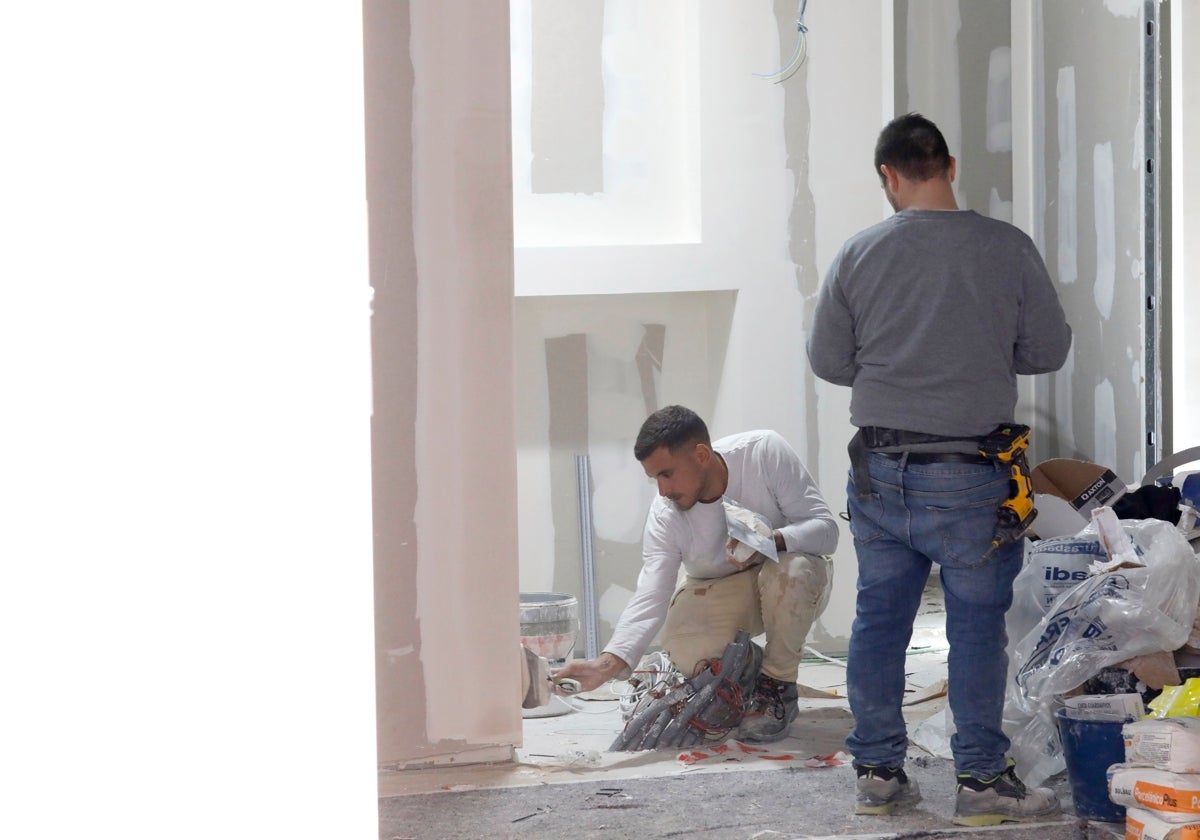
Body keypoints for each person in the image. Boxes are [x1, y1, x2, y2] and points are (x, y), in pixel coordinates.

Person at [806, 113, 1072, 825]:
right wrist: (978, 347)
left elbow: (830, 362)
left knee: (879, 620)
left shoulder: (859, 253)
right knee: (976, 629)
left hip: (882, 471)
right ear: (950, 166)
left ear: (887, 176)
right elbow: (1046, 350)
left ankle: (877, 774)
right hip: (971, 470)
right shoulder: (1006, 248)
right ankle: (981, 783)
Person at [554, 404, 839, 743]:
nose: (662, 490)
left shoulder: (762, 452)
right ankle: (748, 667)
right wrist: (605, 665)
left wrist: (772, 541)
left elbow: (826, 531)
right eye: (655, 478)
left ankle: (778, 684)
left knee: (794, 571)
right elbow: (652, 592)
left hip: (790, 579)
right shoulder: (665, 514)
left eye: (667, 474)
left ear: (701, 454)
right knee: (689, 651)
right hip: (720, 587)